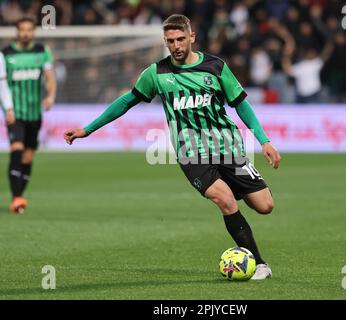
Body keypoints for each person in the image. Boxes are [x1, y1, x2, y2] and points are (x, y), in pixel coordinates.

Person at [64, 14, 281, 280]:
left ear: (192, 37)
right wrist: (88, 129)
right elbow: (126, 102)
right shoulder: (156, 73)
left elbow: (241, 104)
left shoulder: (215, 67)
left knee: (264, 205)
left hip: (227, 147)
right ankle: (259, 264)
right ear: (165, 42)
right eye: (170, 41)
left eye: (180, 39)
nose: (176, 45)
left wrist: (264, 140)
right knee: (224, 200)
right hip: (190, 153)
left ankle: (236, 192)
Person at [2, 17, 57, 213]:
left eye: (29, 30)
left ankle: (19, 196)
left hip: (35, 113)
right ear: (16, 32)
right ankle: (16, 198)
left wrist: (50, 96)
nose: (25, 33)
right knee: (16, 151)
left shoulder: (42, 51)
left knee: (27, 158)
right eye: (22, 30)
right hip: (15, 114)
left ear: (33, 31)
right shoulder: (6, 54)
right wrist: (7, 108)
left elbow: (50, 78)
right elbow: (2, 83)